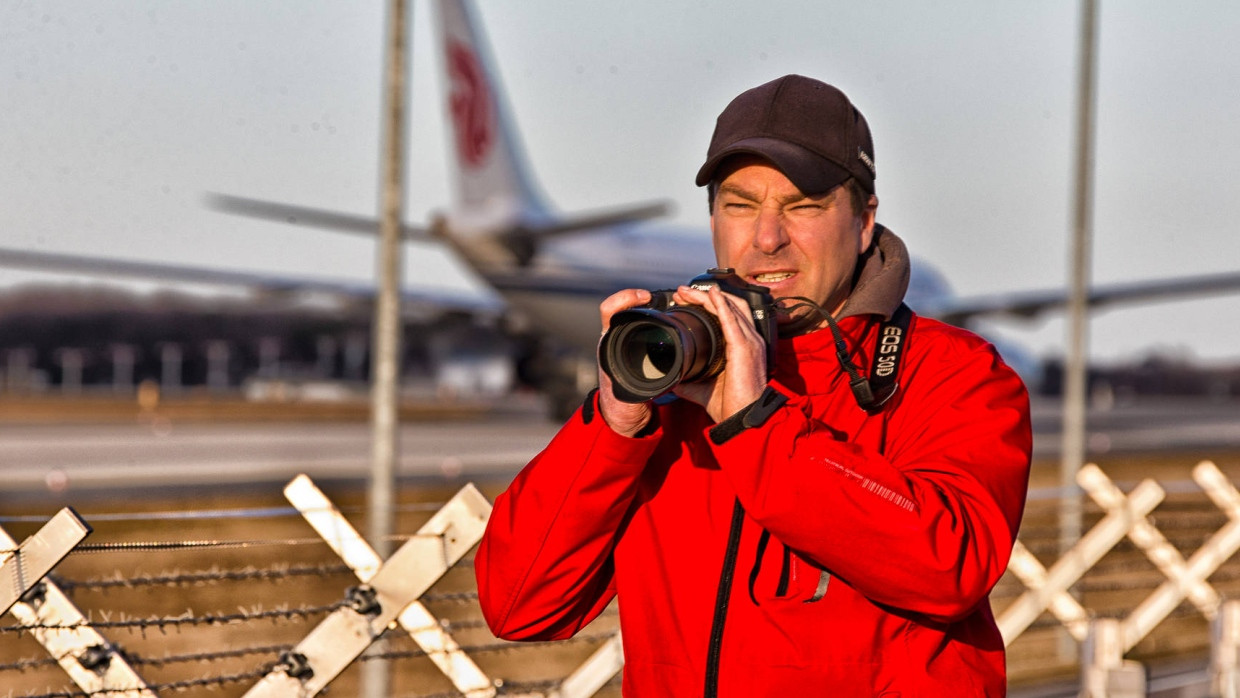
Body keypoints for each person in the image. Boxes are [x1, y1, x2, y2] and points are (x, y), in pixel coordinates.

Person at [475, 74, 1032, 697]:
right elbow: (519, 604)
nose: (767, 238)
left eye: (802, 206)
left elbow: (951, 565)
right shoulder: (673, 387)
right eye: (740, 205)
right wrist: (613, 426)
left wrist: (756, 424)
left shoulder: (949, 373)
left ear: (865, 221)